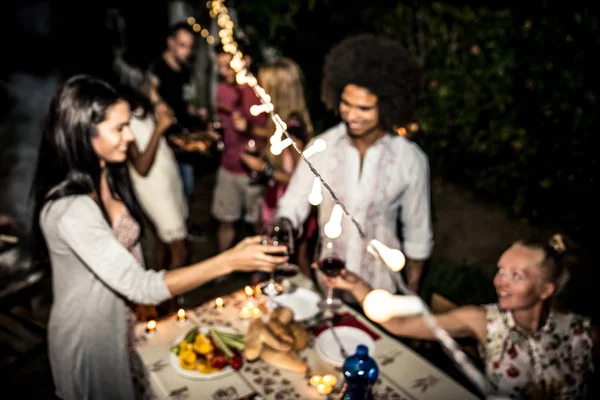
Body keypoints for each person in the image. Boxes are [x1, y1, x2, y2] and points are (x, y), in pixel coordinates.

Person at [30, 75, 288, 400]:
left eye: (128, 126)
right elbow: (142, 284)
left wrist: (140, 313)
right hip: (89, 336)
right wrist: (228, 260)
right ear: (83, 131)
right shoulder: (69, 209)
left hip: (121, 324)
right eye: (119, 128)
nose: (129, 137)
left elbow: (130, 252)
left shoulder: (107, 173)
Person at [324, 234, 598, 399]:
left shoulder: (584, 334)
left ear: (546, 289)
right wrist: (358, 287)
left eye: (516, 276)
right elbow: (401, 324)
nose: (500, 281)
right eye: (501, 270)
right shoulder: (485, 321)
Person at [276, 34, 433, 295]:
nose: (351, 115)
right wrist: (281, 226)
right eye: (345, 104)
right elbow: (292, 205)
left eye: (364, 108)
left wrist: (412, 294)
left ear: (388, 106)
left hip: (381, 289)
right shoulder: (321, 147)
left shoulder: (410, 159)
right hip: (328, 280)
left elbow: (418, 233)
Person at [240, 57, 317, 277]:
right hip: (278, 198)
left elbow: (301, 180)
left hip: (287, 202)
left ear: (277, 89)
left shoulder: (294, 130)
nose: (259, 89)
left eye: (264, 84)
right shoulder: (284, 120)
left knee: (277, 260)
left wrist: (265, 169)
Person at [211, 45, 268, 253]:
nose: (223, 71)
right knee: (225, 220)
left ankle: (261, 271)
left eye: (228, 66)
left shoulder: (261, 91)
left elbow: (275, 133)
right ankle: (222, 269)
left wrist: (249, 127)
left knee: (258, 225)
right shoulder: (222, 89)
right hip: (227, 165)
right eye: (219, 66)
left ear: (246, 61)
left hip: (253, 171)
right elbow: (223, 122)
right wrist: (214, 130)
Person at [148, 22, 205, 219]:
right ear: (170, 43)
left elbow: (186, 101)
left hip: (183, 139)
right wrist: (157, 103)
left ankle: (184, 224)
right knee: (168, 189)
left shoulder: (185, 70)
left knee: (187, 188)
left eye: (189, 46)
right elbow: (151, 88)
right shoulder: (158, 67)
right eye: (182, 45)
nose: (187, 51)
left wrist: (197, 112)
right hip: (163, 139)